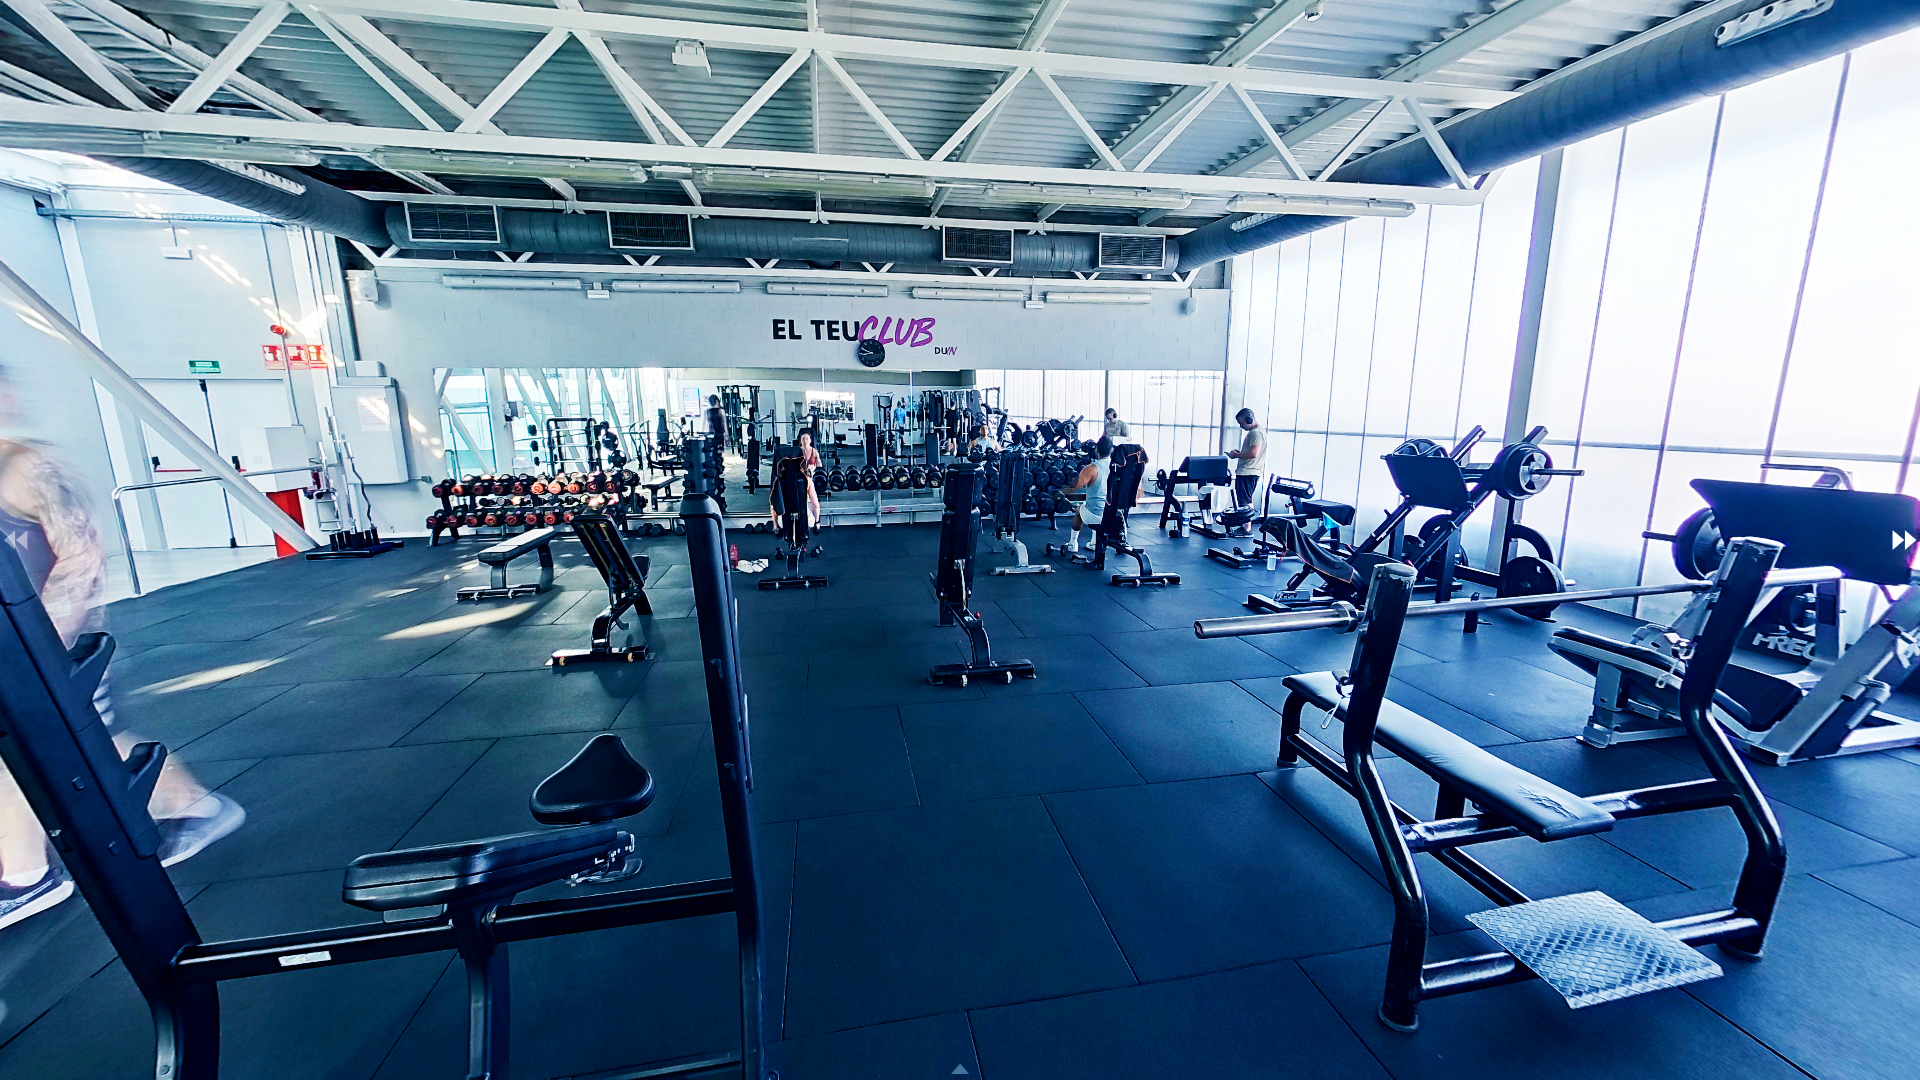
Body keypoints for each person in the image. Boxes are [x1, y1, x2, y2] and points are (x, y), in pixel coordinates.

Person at [0, 369, 244, 932]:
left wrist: (41, 652)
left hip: (43, 652)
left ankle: (28, 876)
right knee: (87, 743)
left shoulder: (30, 468)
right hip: (15, 653)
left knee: (48, 748)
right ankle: (192, 807)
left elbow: (82, 557)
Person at [1057, 437, 1114, 555]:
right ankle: (1094, 543)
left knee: (1079, 510)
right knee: (1097, 507)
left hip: (1095, 516)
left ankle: (1073, 544)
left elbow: (1076, 487)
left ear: (1096, 449)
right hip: (1111, 516)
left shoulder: (1091, 469)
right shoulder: (1117, 468)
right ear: (1112, 450)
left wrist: (1060, 492)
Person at [770, 429, 822, 530]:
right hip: (803, 518)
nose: (805, 441)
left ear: (810, 440)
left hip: (784, 521)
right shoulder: (807, 481)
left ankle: (777, 526)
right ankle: (776, 526)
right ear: (800, 441)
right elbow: (815, 505)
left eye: (807, 439)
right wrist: (817, 523)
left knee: (775, 498)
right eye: (803, 439)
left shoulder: (781, 482)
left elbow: (820, 467)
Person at [1224, 407, 1265, 509]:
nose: (1241, 426)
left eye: (1241, 423)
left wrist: (1235, 455)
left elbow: (1253, 453)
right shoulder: (1259, 431)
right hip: (1250, 471)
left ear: (1249, 420)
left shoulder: (1255, 433)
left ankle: (1248, 520)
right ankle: (1247, 520)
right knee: (1245, 501)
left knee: (1245, 503)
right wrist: (1240, 453)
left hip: (1247, 472)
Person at [705, 394, 728, 459]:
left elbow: (724, 424)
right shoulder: (709, 411)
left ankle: (718, 460)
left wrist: (726, 435)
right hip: (715, 434)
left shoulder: (720, 411)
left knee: (717, 452)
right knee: (715, 451)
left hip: (717, 434)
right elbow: (708, 424)